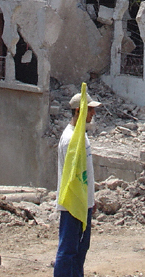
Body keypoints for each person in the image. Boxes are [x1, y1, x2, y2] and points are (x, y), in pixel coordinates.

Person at [54, 91, 101, 277]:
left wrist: (91, 199)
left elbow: (85, 173)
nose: (93, 114)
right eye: (90, 110)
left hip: (83, 204)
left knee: (80, 249)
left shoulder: (81, 135)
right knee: (68, 251)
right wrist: (80, 204)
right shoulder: (69, 140)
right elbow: (72, 178)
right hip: (73, 206)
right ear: (78, 111)